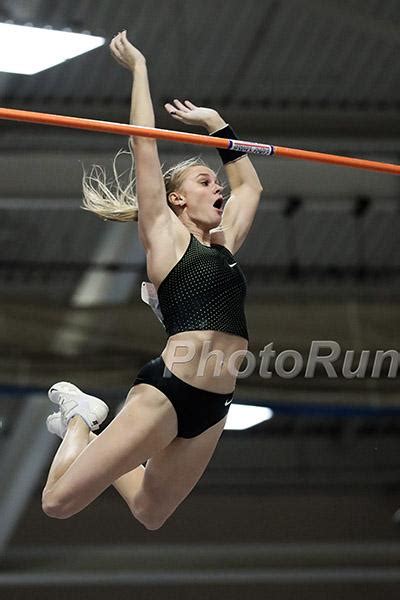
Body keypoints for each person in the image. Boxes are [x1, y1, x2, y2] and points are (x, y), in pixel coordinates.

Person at [42, 30, 263, 531]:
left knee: (150, 511)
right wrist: (140, 70)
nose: (218, 189)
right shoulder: (165, 238)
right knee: (57, 502)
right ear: (177, 200)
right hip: (170, 389)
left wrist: (218, 127)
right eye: (204, 182)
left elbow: (249, 184)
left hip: (216, 402)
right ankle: (81, 416)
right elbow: (144, 144)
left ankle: (94, 434)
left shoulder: (224, 243)